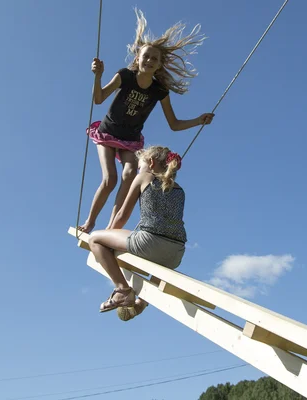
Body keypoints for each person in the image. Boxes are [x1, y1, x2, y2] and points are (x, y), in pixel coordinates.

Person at [78, 8, 214, 233]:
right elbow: (99, 99)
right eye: (146, 56)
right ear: (137, 59)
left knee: (131, 174)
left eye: (154, 58)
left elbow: (174, 124)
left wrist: (198, 121)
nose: (149, 60)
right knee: (111, 179)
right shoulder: (125, 76)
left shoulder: (159, 90)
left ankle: (112, 227)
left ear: (159, 64)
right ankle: (90, 222)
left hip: (130, 140)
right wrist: (98, 76)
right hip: (108, 133)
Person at [88, 146, 188, 314]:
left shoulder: (144, 177)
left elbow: (122, 215)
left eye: (140, 166)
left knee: (94, 239)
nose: (139, 170)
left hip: (150, 242)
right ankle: (142, 301)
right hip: (177, 253)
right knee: (159, 262)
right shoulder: (180, 189)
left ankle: (123, 291)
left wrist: (109, 236)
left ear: (151, 162)